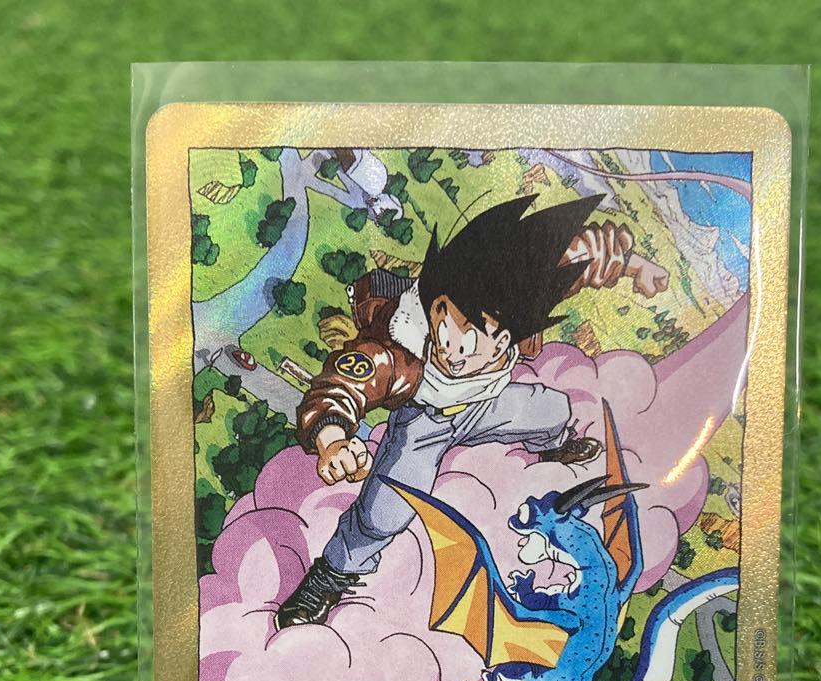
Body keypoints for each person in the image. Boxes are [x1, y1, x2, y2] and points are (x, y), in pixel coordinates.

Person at [277, 193, 669, 628]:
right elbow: (341, 386)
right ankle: (330, 576)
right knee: (386, 511)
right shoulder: (399, 345)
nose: (459, 352)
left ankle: (555, 446)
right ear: (437, 305)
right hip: (425, 421)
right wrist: (333, 441)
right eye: (452, 325)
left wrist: (635, 266)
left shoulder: (524, 294)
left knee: (553, 410)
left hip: (485, 404)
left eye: (485, 339)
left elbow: (580, 255)